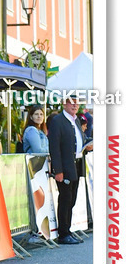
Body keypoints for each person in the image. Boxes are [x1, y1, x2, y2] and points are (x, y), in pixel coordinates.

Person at [47, 96, 84, 245]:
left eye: (77, 102)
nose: (74, 104)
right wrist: (58, 170)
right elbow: (54, 147)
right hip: (65, 166)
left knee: (72, 199)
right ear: (64, 103)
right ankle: (63, 233)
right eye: (71, 101)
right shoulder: (58, 121)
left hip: (77, 164)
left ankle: (67, 229)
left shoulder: (76, 120)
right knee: (65, 199)